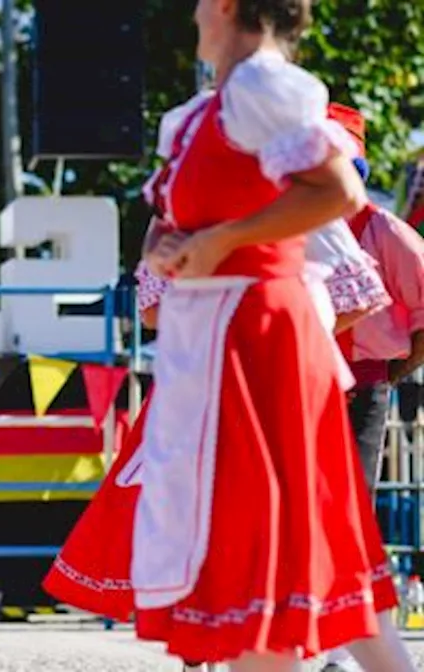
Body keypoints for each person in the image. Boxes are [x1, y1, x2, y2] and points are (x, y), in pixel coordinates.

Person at [43, 1, 414, 669]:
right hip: (217, 338)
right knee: (279, 538)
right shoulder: (200, 115)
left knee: (262, 535)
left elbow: (336, 193)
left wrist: (219, 240)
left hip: (260, 332)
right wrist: (178, 246)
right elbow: (183, 213)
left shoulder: (262, 85)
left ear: (225, 7)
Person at [321, 104, 424, 672]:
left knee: (351, 513)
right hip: (298, 388)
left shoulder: (383, 230)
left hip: (362, 387)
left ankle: (346, 644)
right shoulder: (294, 225)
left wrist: (391, 372)